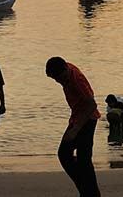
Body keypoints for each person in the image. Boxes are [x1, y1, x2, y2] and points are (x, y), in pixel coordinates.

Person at [45, 57, 101, 197]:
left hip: (87, 119)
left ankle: (88, 191)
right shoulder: (66, 70)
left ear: (65, 70)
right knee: (78, 159)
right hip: (76, 117)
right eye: (55, 79)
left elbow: (91, 104)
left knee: (72, 155)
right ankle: (87, 190)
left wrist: (75, 129)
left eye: (58, 77)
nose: (58, 81)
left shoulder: (77, 80)